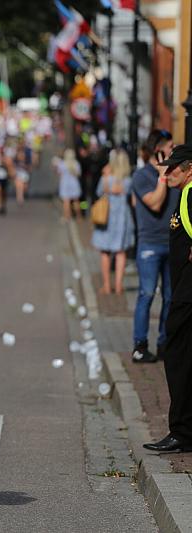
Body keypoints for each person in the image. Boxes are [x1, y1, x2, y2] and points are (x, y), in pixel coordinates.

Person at [143, 143, 192, 453]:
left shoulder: (190, 193)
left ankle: (182, 432)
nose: (168, 172)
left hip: (188, 297)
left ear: (189, 169)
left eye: (174, 167)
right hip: (185, 292)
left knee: (177, 360)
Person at [131, 129, 178, 363]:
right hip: (149, 245)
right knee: (147, 294)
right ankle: (140, 346)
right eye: (170, 147)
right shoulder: (141, 176)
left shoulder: (174, 174)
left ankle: (163, 343)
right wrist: (162, 177)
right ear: (158, 150)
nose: (173, 150)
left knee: (170, 298)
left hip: (171, 244)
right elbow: (156, 204)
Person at [91, 150, 135, 295]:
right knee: (120, 252)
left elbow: (98, 192)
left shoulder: (106, 178)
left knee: (105, 251)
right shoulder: (128, 180)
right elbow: (129, 195)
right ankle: (118, 285)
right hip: (122, 219)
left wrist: (105, 176)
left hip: (107, 217)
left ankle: (106, 285)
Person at [57, 148, 82, 220]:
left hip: (65, 183)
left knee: (66, 201)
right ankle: (79, 216)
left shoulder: (62, 164)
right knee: (76, 201)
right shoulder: (76, 163)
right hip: (74, 183)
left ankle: (67, 216)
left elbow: (59, 173)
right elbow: (78, 173)